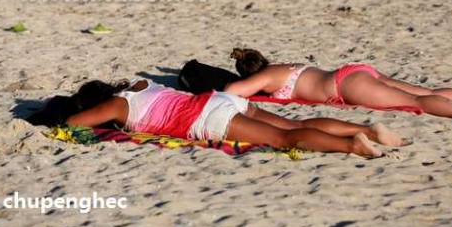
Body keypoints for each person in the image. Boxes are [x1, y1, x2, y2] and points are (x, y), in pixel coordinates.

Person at [60, 77, 409, 158]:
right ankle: (367, 128)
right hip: (219, 99)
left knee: (285, 140)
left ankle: (351, 145)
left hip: (206, 117)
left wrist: (79, 114)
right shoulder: (141, 83)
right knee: (295, 125)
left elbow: (73, 125)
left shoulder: (119, 105)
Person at [224, 49, 452, 123]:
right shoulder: (283, 65)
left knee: (415, 103)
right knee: (425, 92)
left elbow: (233, 92)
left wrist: (241, 85)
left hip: (344, 85)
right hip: (354, 71)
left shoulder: (266, 77)